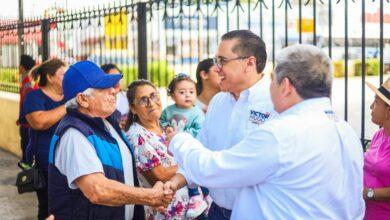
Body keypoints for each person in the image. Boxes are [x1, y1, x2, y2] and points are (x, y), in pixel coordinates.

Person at [165, 44, 365, 219]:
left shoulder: (281, 133)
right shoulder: (346, 131)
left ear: (285, 86)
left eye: (273, 81)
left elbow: (213, 169)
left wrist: (179, 139)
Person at [168, 30, 275, 220]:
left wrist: (177, 140)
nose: (216, 68)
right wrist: (174, 182)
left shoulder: (275, 103)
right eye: (216, 61)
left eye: (222, 61)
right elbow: (202, 150)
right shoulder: (218, 102)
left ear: (249, 63)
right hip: (216, 211)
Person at [48, 61, 172, 220]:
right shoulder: (74, 135)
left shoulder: (108, 123)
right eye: (104, 88)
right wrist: (149, 197)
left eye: (112, 86)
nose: (113, 91)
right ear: (82, 99)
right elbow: (97, 190)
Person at [125, 79, 190, 219]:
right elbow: (161, 176)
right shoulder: (137, 136)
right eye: (143, 100)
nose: (151, 103)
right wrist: (190, 160)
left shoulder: (165, 127)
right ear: (133, 108)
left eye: (154, 96)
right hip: (164, 212)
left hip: (186, 209)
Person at [22, 58, 67, 220]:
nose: (67, 78)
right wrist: (68, 106)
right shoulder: (34, 97)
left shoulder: (69, 96)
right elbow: (39, 122)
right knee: (48, 207)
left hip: (69, 160)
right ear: (49, 77)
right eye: (63, 75)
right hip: (45, 161)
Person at [160, 74, 209, 218]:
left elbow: (199, 130)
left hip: (189, 147)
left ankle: (197, 197)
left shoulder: (197, 112)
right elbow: (161, 122)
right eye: (182, 92)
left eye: (191, 92)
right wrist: (167, 126)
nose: (187, 95)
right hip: (171, 150)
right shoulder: (168, 111)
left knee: (190, 169)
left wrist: (181, 134)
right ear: (173, 95)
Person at [363, 77, 390, 219]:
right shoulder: (379, 135)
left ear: (388, 110)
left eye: (377, 102)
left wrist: (368, 193)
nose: (371, 107)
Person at [17, 54, 36, 164]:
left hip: (27, 122)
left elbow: (28, 103)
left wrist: (23, 117)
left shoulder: (27, 83)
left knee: (26, 145)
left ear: (23, 67)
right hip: (25, 120)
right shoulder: (26, 81)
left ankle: (27, 168)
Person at [101, 63, 129, 130]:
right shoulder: (100, 101)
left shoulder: (127, 97)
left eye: (119, 77)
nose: (117, 81)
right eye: (112, 78)